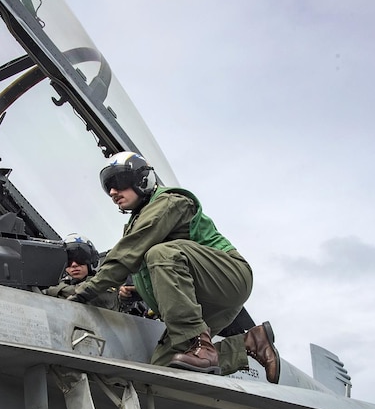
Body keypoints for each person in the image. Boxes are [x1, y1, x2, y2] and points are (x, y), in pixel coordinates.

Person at [68, 151, 281, 383]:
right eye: (108, 186)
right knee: (164, 369)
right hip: (202, 300)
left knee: (161, 253)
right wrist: (139, 291)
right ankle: (251, 342)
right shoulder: (137, 221)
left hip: (230, 276)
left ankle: (200, 344)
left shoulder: (169, 202)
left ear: (142, 179)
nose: (112, 192)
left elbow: (129, 254)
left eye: (118, 182)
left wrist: (83, 293)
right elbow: (163, 269)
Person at [43, 234, 119, 310]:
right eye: (68, 260)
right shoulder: (59, 283)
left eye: (80, 258)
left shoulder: (105, 284)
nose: (74, 264)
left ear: (92, 261)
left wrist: (54, 290)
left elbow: (91, 293)